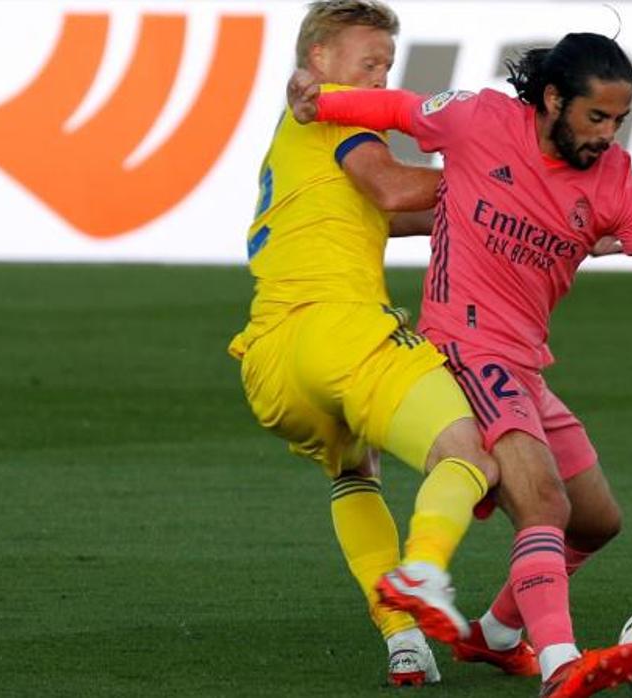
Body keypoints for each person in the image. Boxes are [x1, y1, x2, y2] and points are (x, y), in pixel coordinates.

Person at [289, 31, 632, 698]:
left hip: (522, 364)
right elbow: (402, 110)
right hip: (460, 344)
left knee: (598, 522)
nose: (607, 135)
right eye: (596, 117)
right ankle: (560, 663)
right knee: (544, 501)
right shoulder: (479, 121)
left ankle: (496, 635)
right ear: (553, 99)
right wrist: (319, 104)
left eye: (619, 120)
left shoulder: (617, 187)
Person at [226, 0, 501, 687]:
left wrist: (535, 225)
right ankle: (424, 571)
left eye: (386, 65)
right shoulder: (326, 109)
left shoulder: (296, 138)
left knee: (355, 472)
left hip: (271, 360)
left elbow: (396, 210)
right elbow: (393, 185)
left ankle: (402, 639)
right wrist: (520, 193)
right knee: (470, 452)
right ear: (317, 60)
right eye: (367, 62)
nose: (379, 78)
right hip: (340, 332)